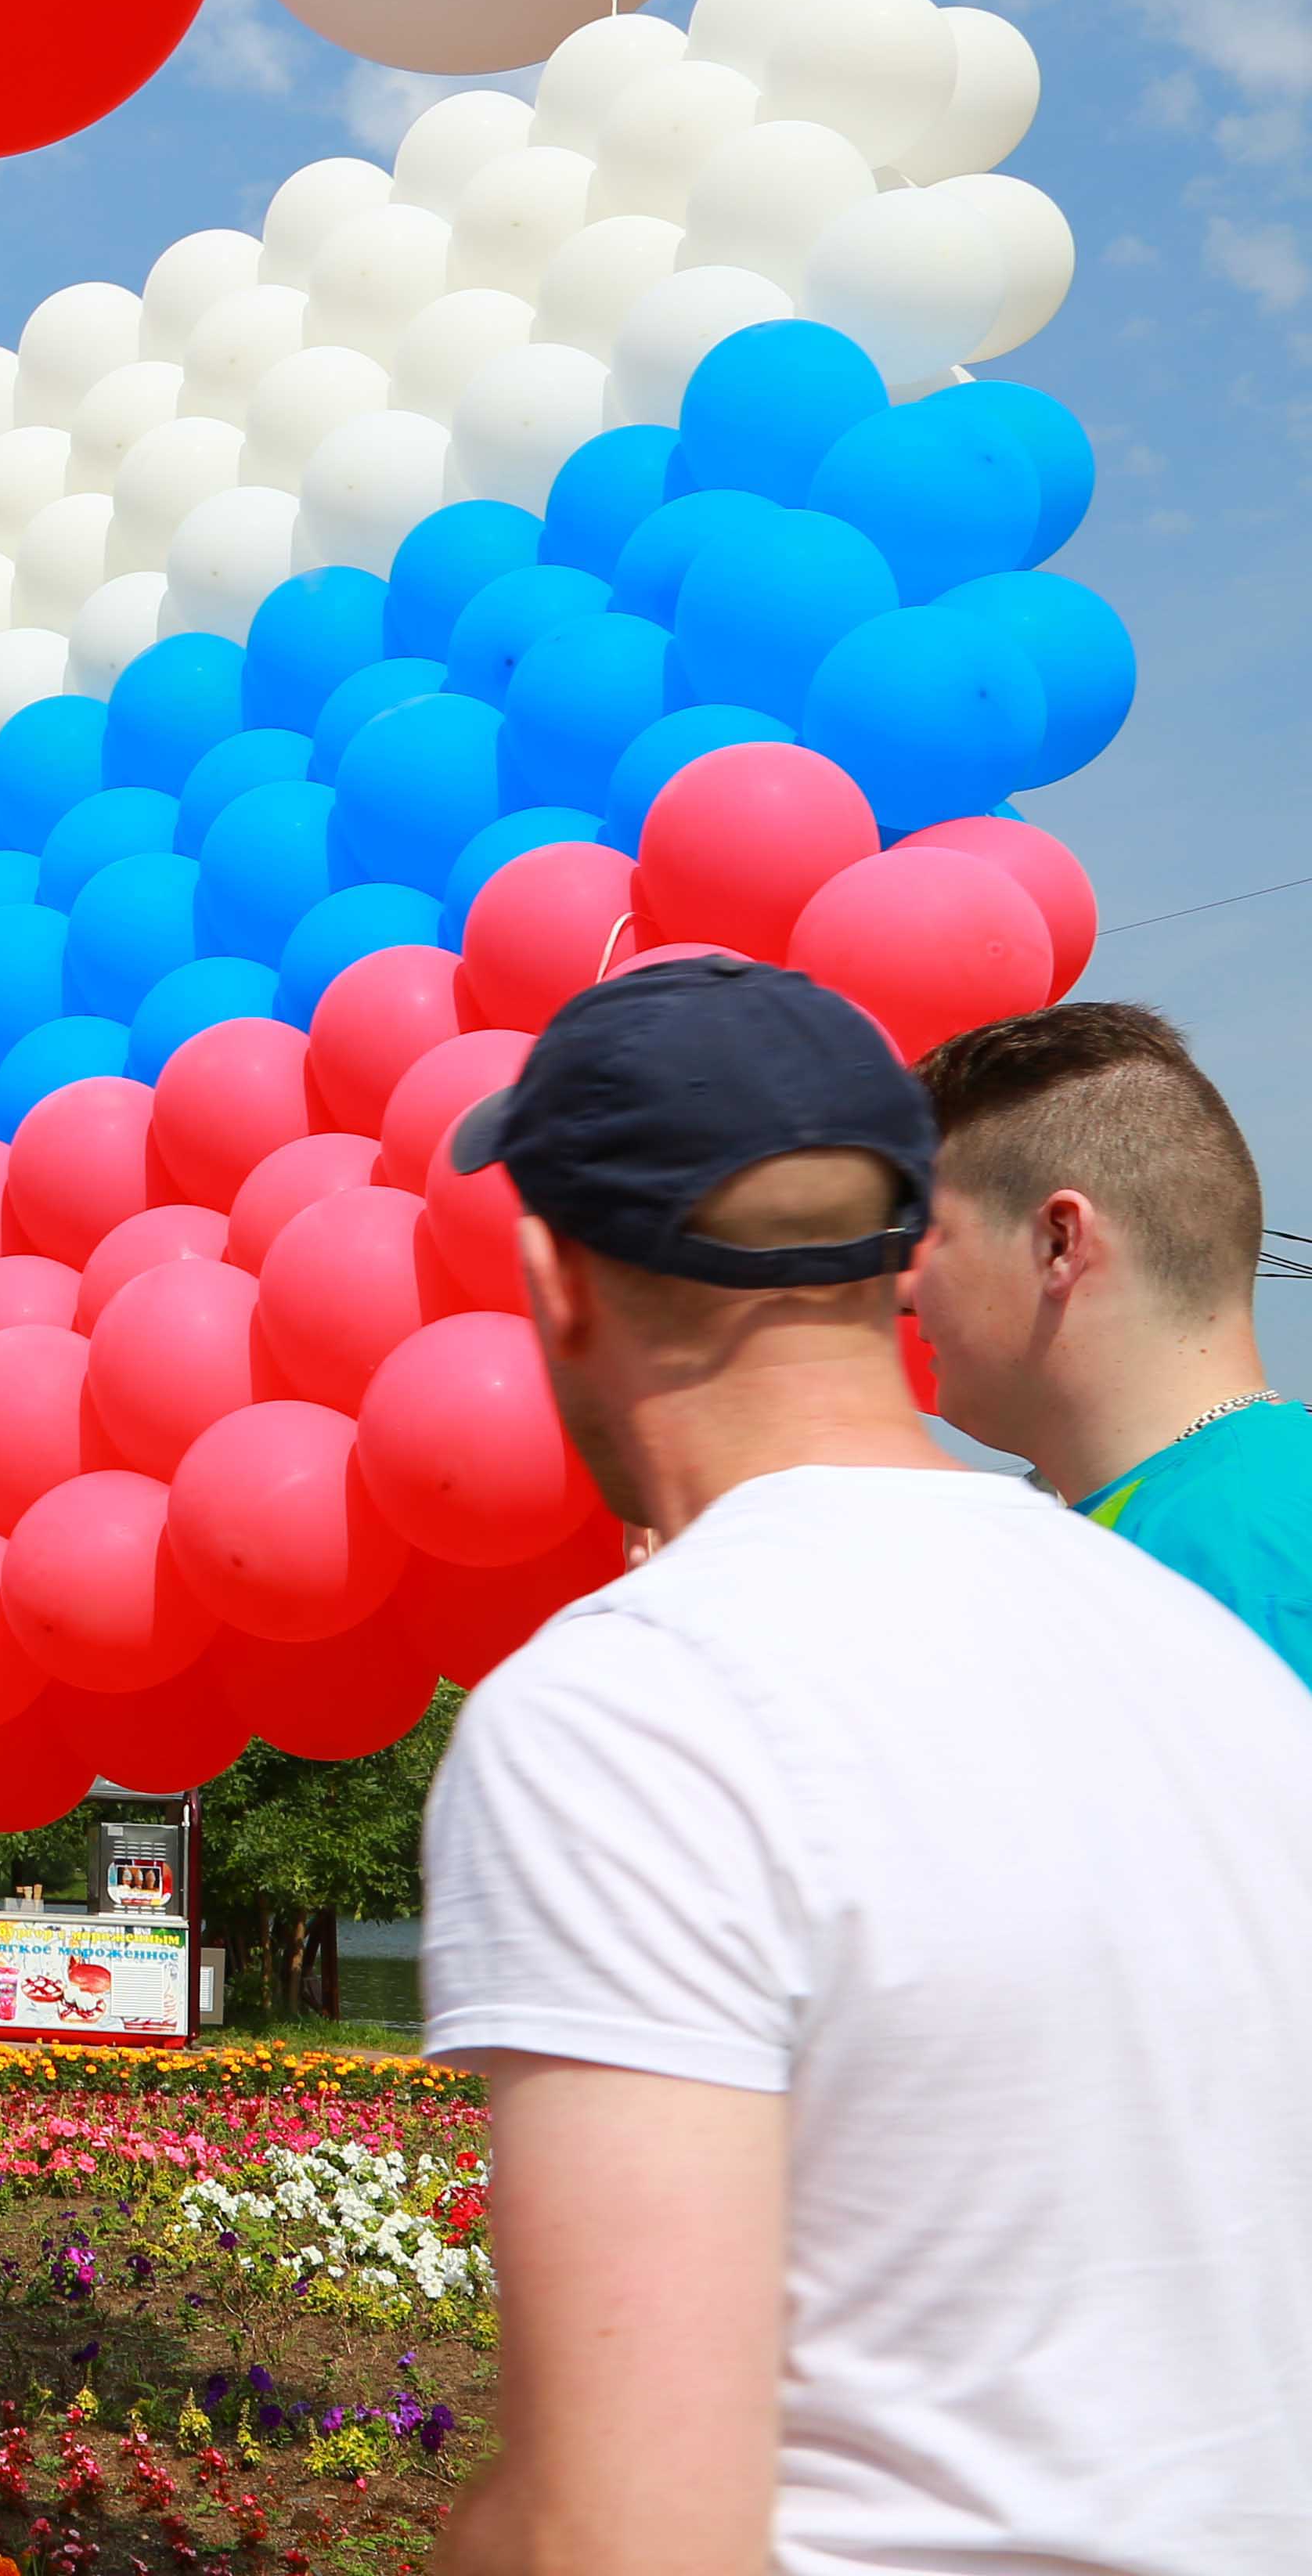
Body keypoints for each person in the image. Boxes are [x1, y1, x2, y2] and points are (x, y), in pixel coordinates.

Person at [417, 956, 1312, 2574]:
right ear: (889, 1261)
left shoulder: (634, 1709)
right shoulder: (1205, 1661)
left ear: (553, 1278)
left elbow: (620, 2532)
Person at [910, 999, 1310, 1683]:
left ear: (1060, 1242)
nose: (905, 1285)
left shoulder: (1223, 1564)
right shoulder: (1227, 1519)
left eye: (930, 1236)